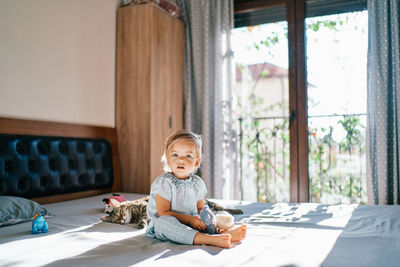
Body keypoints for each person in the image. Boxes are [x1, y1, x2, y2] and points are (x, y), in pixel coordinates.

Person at [146, 129, 246, 248]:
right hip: (169, 224)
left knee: (215, 217)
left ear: (196, 161)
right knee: (162, 224)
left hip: (192, 222)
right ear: (168, 159)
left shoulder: (198, 183)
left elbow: (200, 208)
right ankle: (209, 239)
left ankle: (221, 233)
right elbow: (163, 212)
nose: (181, 159)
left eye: (188, 155)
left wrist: (206, 220)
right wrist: (189, 220)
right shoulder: (164, 183)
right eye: (175, 155)